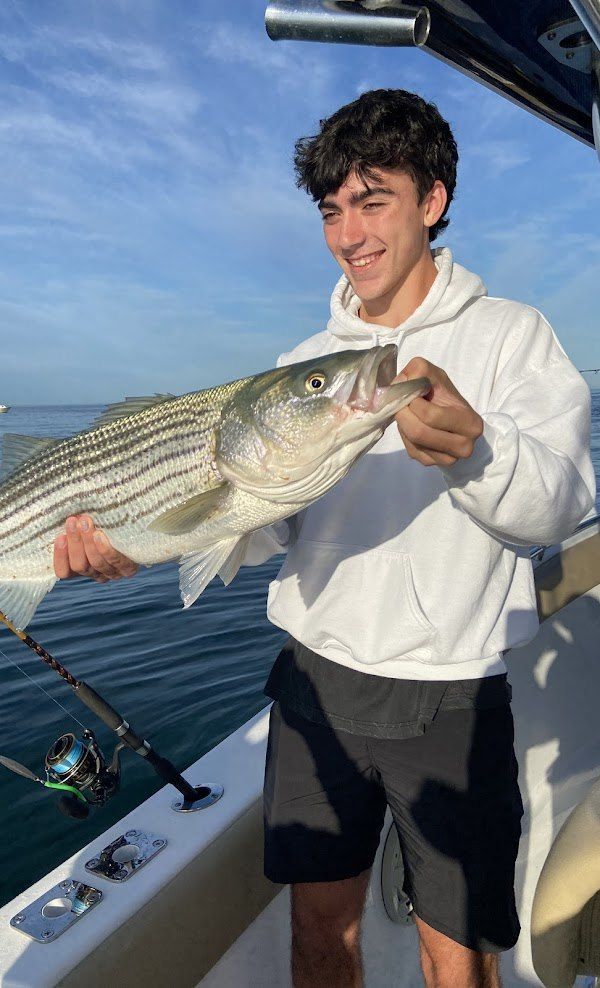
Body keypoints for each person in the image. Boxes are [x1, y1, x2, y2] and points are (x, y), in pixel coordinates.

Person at [54, 89, 595, 988]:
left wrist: (477, 454)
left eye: (373, 200)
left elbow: (562, 509)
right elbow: (264, 526)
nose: (350, 233)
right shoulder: (304, 361)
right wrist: (131, 543)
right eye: (332, 210)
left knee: (458, 954)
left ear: (433, 199)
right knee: (317, 930)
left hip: (452, 694)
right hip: (314, 683)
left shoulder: (512, 337)